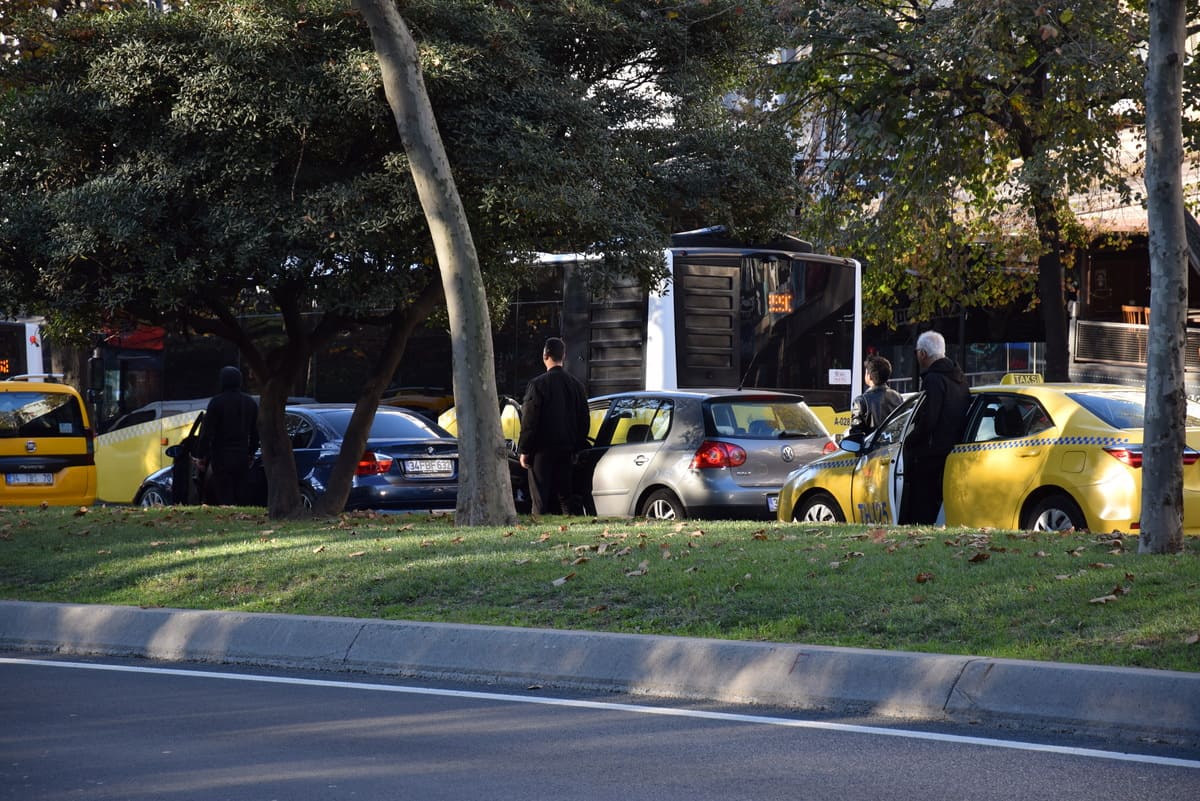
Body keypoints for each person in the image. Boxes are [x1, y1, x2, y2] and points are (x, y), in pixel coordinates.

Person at [900, 331, 970, 525]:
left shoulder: (932, 380)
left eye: (916, 352)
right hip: (955, 449)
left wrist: (911, 440)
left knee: (923, 506)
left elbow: (929, 418)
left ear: (922, 353)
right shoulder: (960, 378)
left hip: (930, 454)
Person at [518, 337, 590, 515]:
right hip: (567, 450)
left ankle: (540, 533)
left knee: (540, 500)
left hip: (541, 452)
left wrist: (524, 450)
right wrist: (576, 447)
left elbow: (530, 421)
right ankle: (567, 527)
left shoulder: (537, 385)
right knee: (565, 497)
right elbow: (584, 421)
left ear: (545, 355)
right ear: (563, 356)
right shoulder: (577, 386)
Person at [197, 365, 259, 506]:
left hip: (221, 455)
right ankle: (241, 516)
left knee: (224, 493)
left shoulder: (216, 402)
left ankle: (229, 517)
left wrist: (202, 456)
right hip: (242, 455)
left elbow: (207, 432)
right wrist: (251, 452)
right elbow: (255, 432)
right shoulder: (250, 403)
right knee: (241, 492)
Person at [847, 355, 903, 438]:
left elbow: (855, 435)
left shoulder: (861, 401)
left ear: (869, 376)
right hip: (894, 447)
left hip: (873, 449)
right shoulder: (897, 397)